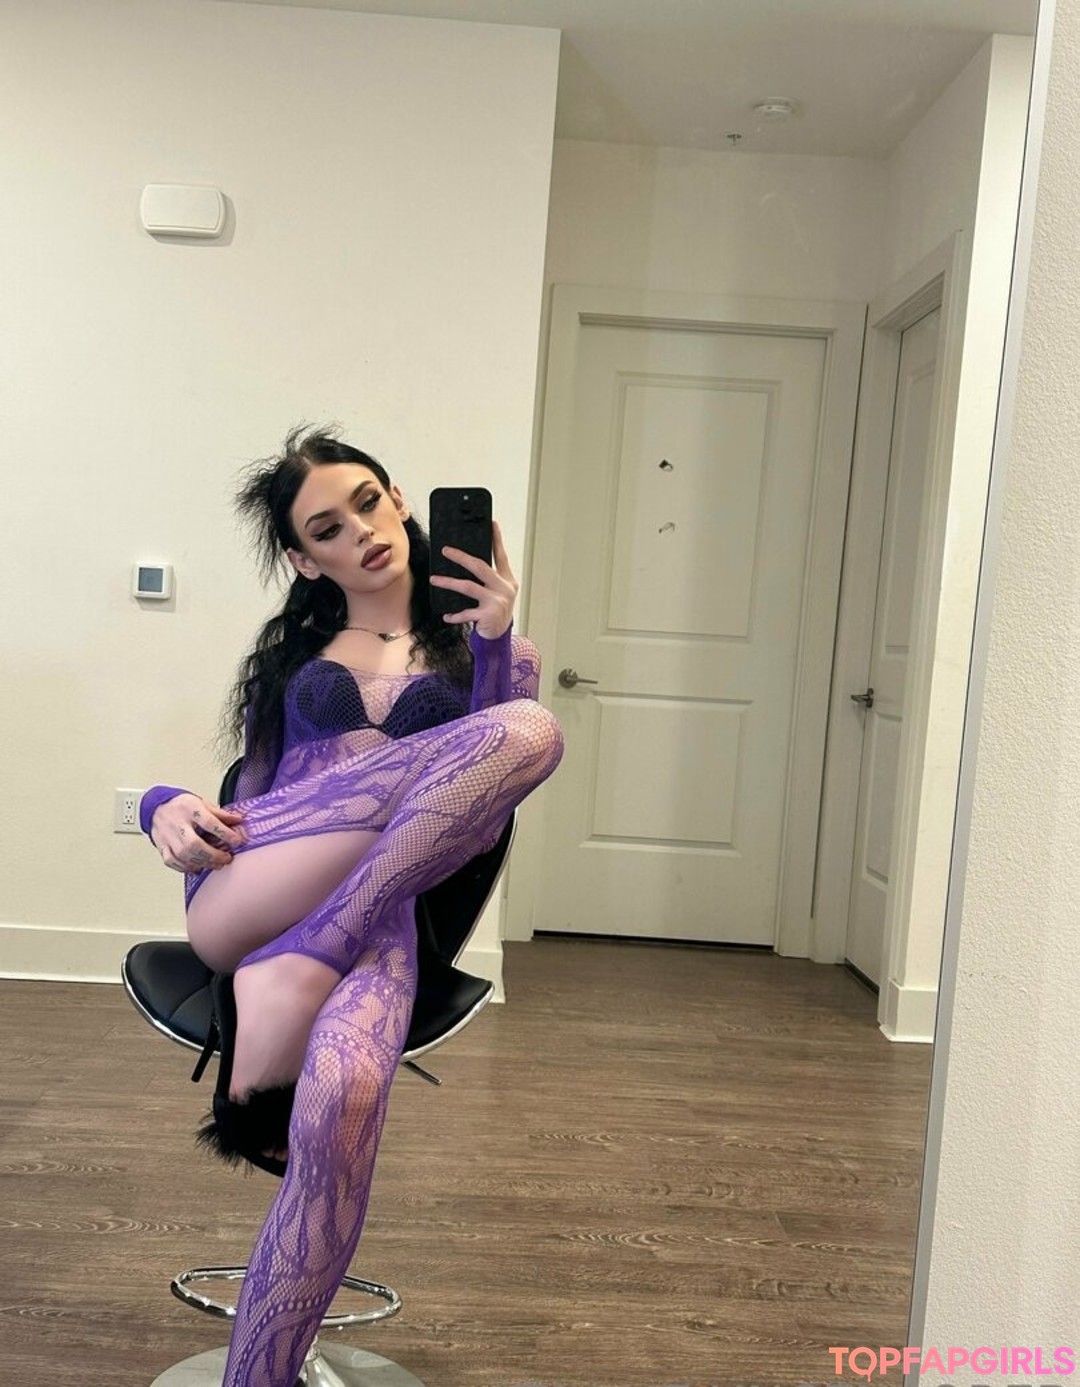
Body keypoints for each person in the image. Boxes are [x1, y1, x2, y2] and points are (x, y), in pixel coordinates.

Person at [139, 426, 564, 1387]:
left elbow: (481, 816)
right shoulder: (293, 658)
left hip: (378, 920)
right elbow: (249, 798)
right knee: (525, 729)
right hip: (255, 892)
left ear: (399, 498)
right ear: (305, 559)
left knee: (341, 1103)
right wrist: (162, 804)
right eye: (327, 528)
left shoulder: (494, 653)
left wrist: (495, 643)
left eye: (368, 502)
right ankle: (311, 951)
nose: (362, 531)